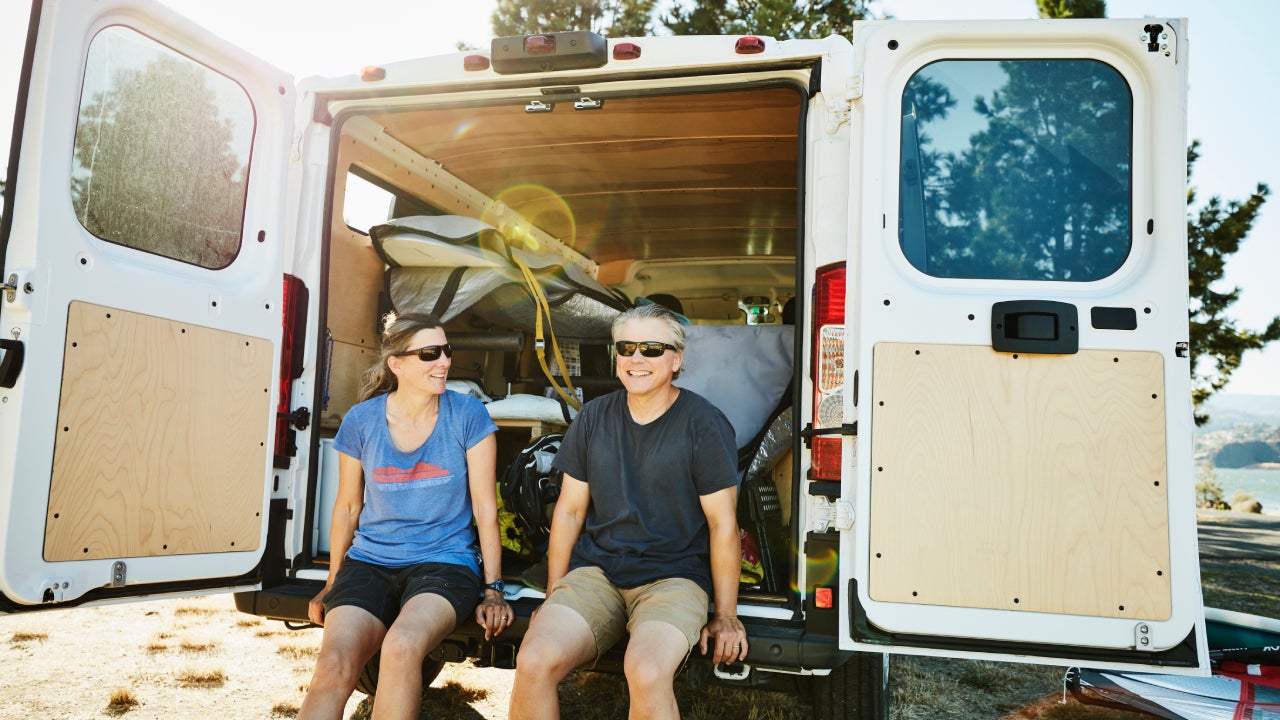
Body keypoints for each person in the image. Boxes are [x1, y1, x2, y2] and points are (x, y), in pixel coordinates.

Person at [509, 303, 748, 720]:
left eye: (652, 348)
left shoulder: (703, 424)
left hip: (673, 577)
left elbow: (722, 524)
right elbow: (568, 512)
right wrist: (553, 594)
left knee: (647, 670)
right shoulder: (594, 417)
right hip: (597, 572)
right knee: (533, 659)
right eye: (627, 347)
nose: (637, 358)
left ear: (677, 359)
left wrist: (726, 616)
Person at [299, 312, 511, 720]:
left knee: (402, 646)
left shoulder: (468, 415)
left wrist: (493, 589)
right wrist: (332, 582)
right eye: (430, 354)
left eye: (447, 350)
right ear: (396, 365)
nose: (445, 362)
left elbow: (486, 508)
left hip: (445, 563)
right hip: (370, 561)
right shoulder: (362, 420)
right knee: (334, 663)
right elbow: (347, 506)